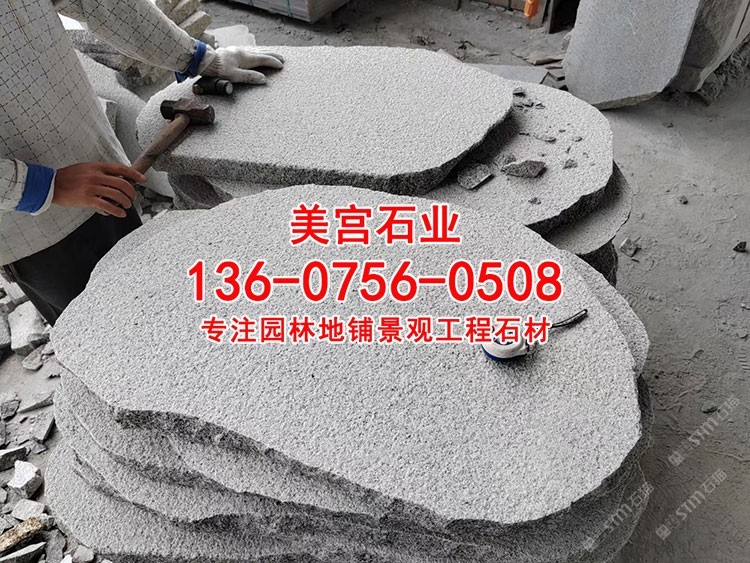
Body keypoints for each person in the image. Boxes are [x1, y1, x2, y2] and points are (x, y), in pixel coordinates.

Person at [0, 0, 283, 325]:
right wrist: (37, 186)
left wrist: (198, 57)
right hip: (34, 227)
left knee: (149, 300)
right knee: (100, 331)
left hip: (100, 171)